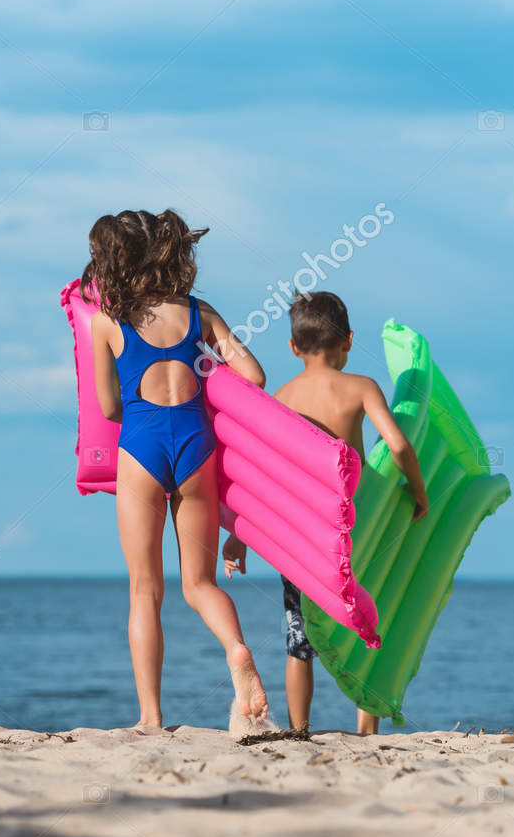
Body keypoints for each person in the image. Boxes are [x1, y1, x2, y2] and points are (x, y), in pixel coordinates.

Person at [83, 209, 271, 734]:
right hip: (196, 447)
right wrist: (203, 366)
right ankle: (236, 649)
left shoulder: (108, 321)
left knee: (145, 589)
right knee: (199, 583)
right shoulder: (199, 313)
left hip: (141, 447)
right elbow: (253, 375)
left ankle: (150, 718)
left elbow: (108, 406)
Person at [221, 291, 428, 735]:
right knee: (365, 617)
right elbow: (398, 445)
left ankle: (300, 728)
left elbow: (265, 475)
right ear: (349, 341)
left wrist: (240, 535)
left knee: (299, 636)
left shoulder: (280, 397)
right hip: (358, 525)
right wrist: (417, 491)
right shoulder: (361, 387)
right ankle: (367, 731)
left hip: (301, 533)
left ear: (293, 347)